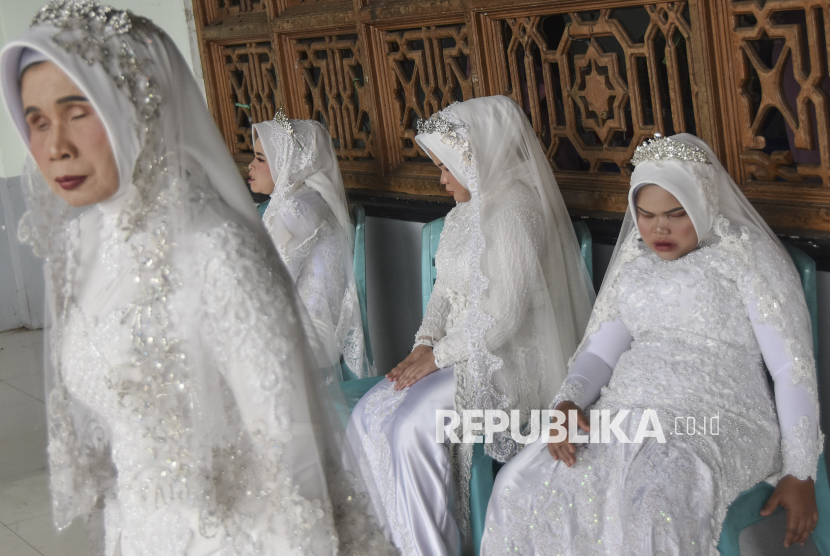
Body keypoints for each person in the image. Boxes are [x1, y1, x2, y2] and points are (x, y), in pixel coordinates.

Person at [0, 2, 394, 554]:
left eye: (78, 111)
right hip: (136, 529)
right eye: (36, 120)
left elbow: (293, 453)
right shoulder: (79, 247)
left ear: (134, 106)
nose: (54, 145)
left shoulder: (215, 250)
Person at [480, 133, 823, 555]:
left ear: (702, 202)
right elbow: (600, 354)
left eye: (676, 214)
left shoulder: (744, 257)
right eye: (645, 214)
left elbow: (792, 368)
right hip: (627, 409)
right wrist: (568, 402)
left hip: (720, 415)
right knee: (523, 482)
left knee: (654, 503)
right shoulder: (635, 262)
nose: (658, 228)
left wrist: (802, 470)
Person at [346, 96, 595, 555]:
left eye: (445, 166)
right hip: (460, 351)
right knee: (368, 416)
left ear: (472, 156)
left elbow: (503, 316)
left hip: (512, 363)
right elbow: (443, 291)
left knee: (411, 427)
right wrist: (424, 344)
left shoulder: (516, 210)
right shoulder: (464, 213)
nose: (441, 178)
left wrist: (437, 357)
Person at [248, 113, 373, 378]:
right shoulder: (303, 199)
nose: (250, 166)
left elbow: (270, 283)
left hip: (310, 332)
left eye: (260, 159)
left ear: (289, 163)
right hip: (303, 324)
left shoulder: (296, 208)